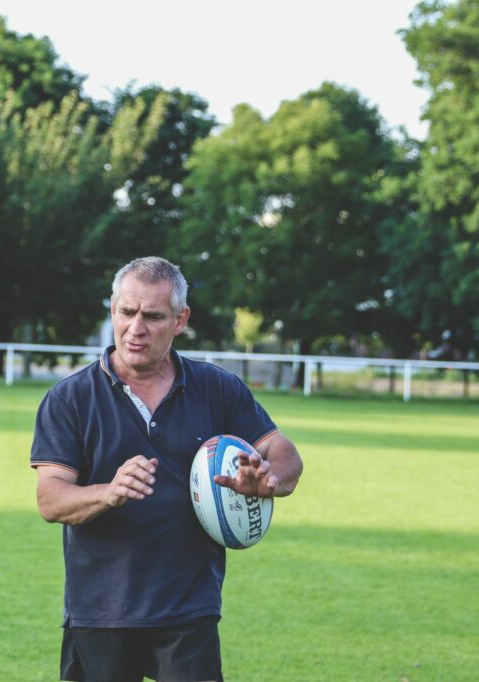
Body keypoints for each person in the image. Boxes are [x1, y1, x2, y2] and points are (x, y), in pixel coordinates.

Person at [31, 256, 303, 682]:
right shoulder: (71, 399)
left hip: (188, 611)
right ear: (113, 310)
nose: (136, 328)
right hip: (101, 612)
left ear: (180, 320)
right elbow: (50, 499)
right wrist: (109, 491)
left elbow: (285, 455)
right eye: (127, 312)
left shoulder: (217, 389)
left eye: (153, 316)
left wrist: (267, 480)